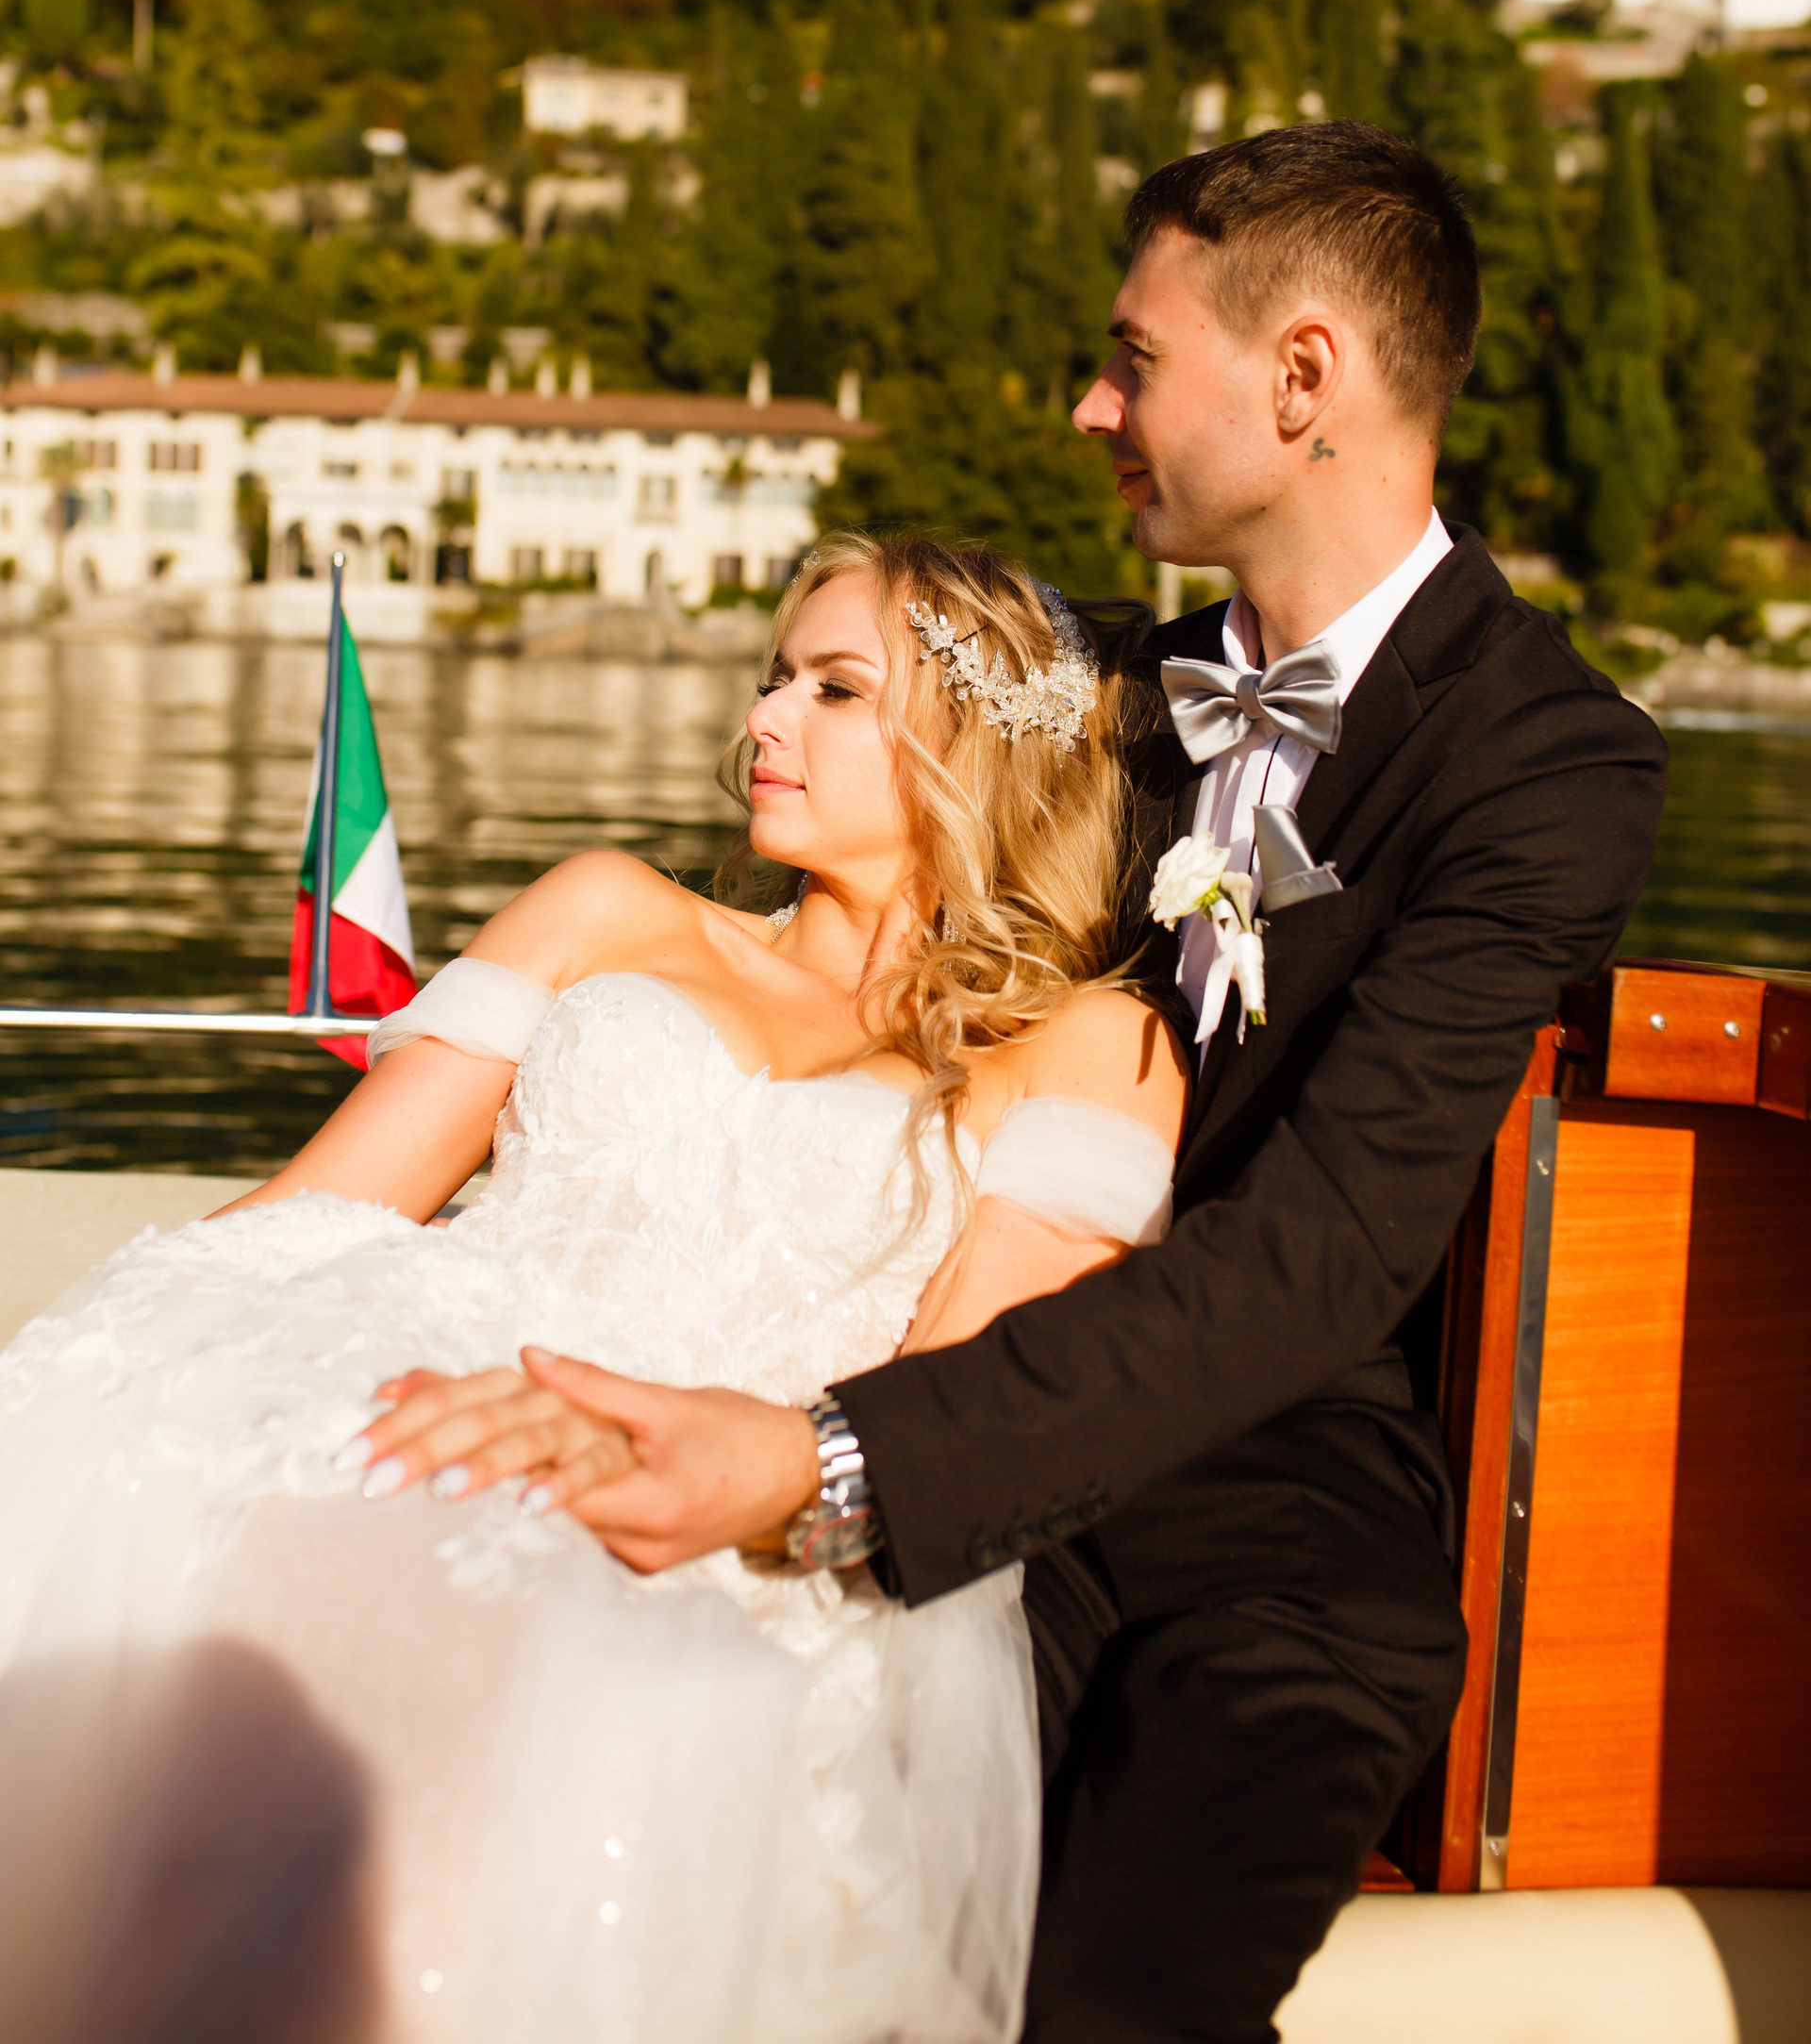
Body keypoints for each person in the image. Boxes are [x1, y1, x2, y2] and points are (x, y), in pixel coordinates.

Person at [368, 122, 1670, 2042]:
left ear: (1303, 377)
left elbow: (1327, 1256)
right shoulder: (1087, 699)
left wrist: (828, 1463)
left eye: (1133, 359)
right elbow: (853, 886)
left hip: (1267, 1479)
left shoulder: (1548, 762)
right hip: (930, 1353)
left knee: (1118, 1976)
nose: (1089, 406)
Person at [0, 534, 1189, 2044]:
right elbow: (318, 1208)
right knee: (286, 1524)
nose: (763, 718)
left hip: (721, 1495)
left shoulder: (1083, 1049)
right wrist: (101, 1371)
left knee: (499, 1645)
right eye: (775, 679)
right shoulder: (609, 907)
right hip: (415, 1375)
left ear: (975, 746)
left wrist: (695, 1471)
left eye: (834, 689)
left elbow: (955, 1403)